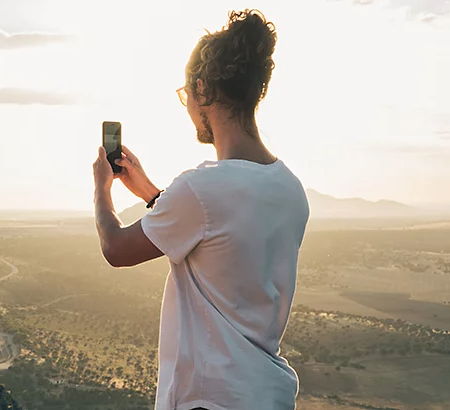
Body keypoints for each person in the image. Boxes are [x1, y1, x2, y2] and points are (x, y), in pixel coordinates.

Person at [92, 9, 310, 410]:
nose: (187, 105)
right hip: (267, 395)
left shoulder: (202, 187)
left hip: (212, 398)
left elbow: (116, 249)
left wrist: (101, 189)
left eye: (186, 94)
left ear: (203, 90)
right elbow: (218, 241)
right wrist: (148, 191)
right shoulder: (290, 188)